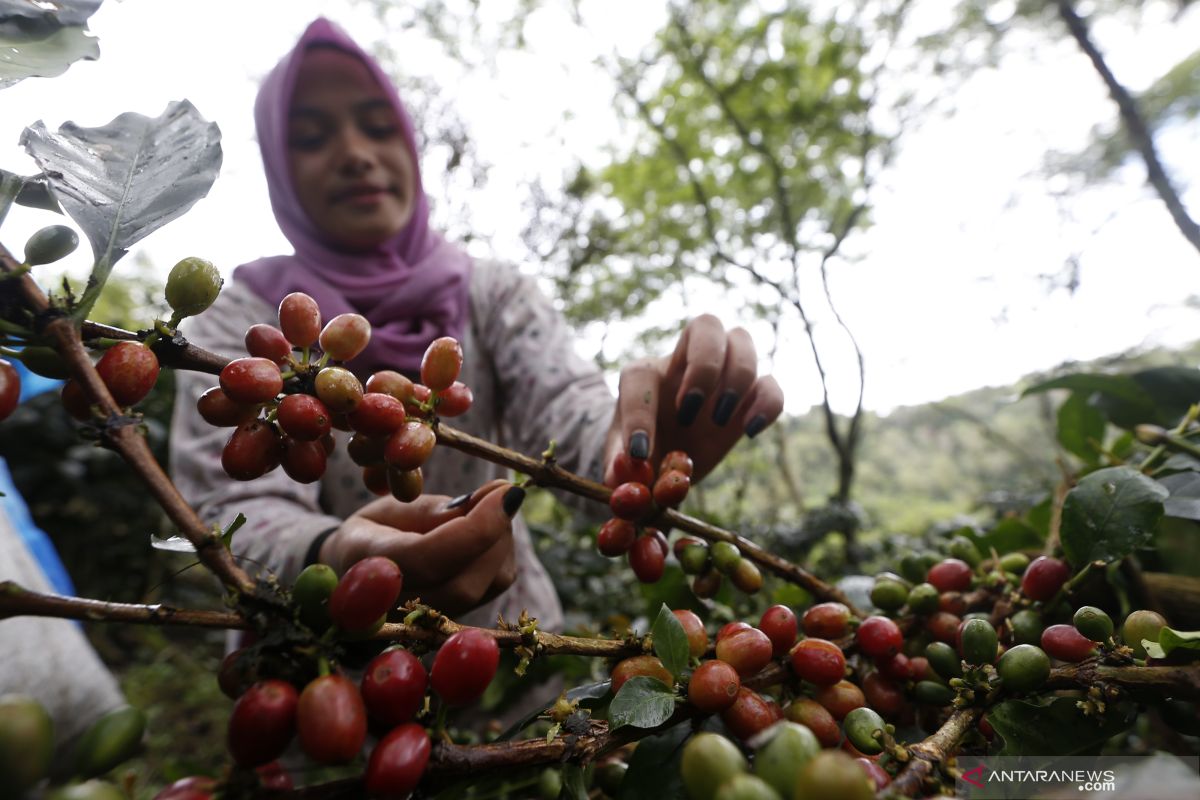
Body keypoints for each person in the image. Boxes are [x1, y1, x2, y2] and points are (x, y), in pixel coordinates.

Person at [168, 17, 783, 637]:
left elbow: (568, 405)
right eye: (310, 137)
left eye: (379, 127)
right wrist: (330, 556)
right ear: (279, 165)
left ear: (409, 144)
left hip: (514, 653)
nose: (356, 153)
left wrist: (626, 447)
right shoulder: (243, 314)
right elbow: (230, 504)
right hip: (312, 661)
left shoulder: (490, 293)